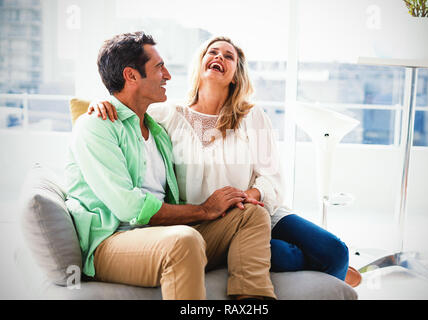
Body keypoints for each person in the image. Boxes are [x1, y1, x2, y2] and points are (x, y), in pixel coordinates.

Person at [90, 36, 350, 282]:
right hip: (204, 223)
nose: (219, 57)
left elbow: (271, 177)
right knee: (283, 253)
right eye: (212, 52)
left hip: (255, 211)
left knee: (336, 251)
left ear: (236, 74)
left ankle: (336, 269)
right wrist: (102, 103)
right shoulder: (166, 116)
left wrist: (244, 198)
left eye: (229, 56)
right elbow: (130, 106)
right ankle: (328, 269)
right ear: (201, 62)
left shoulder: (251, 116)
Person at [65, 31, 276, 300]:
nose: (168, 75)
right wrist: (203, 210)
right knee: (183, 242)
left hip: (163, 235)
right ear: (131, 76)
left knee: (251, 214)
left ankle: (253, 302)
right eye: (159, 67)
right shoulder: (96, 125)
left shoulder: (157, 127)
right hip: (111, 241)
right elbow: (129, 206)